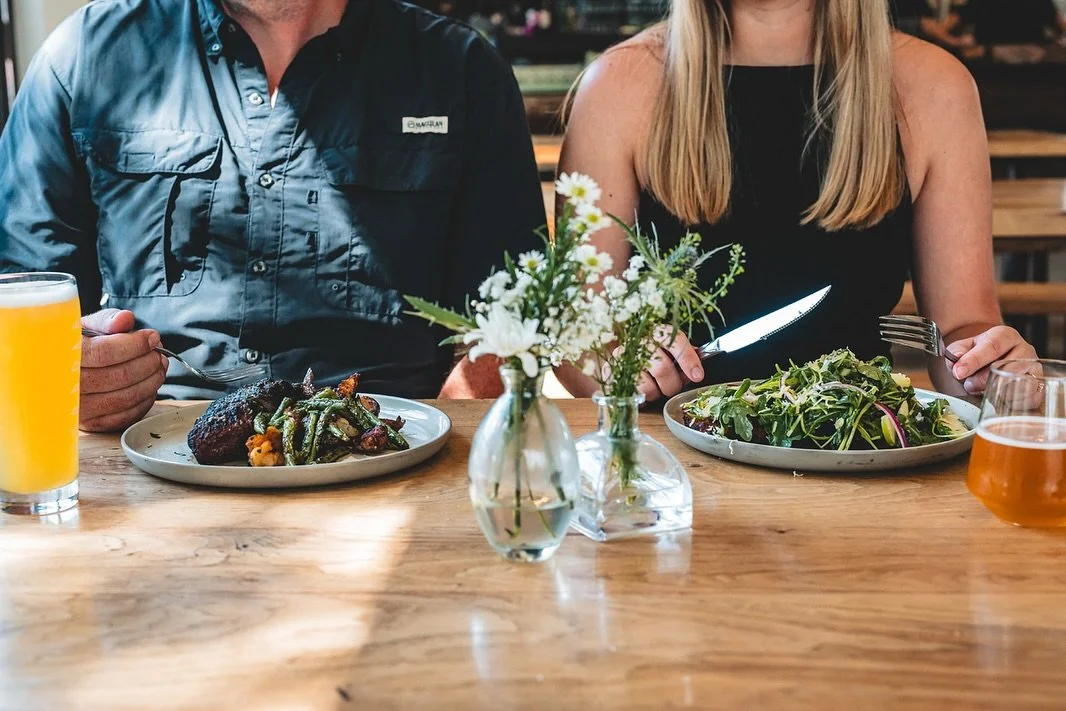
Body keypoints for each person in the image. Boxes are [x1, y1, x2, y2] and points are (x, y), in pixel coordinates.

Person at [0, 0, 546, 431]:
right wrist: (70, 373)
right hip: (148, 446)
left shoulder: (462, 72)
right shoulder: (85, 57)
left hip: (388, 442)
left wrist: (445, 434)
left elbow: (515, 312)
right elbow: (19, 287)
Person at [555, 0, 1037, 403]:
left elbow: (961, 331)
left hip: (860, 449)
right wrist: (619, 363)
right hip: (670, 465)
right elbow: (576, 346)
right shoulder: (617, 86)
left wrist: (989, 367)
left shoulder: (935, 87)